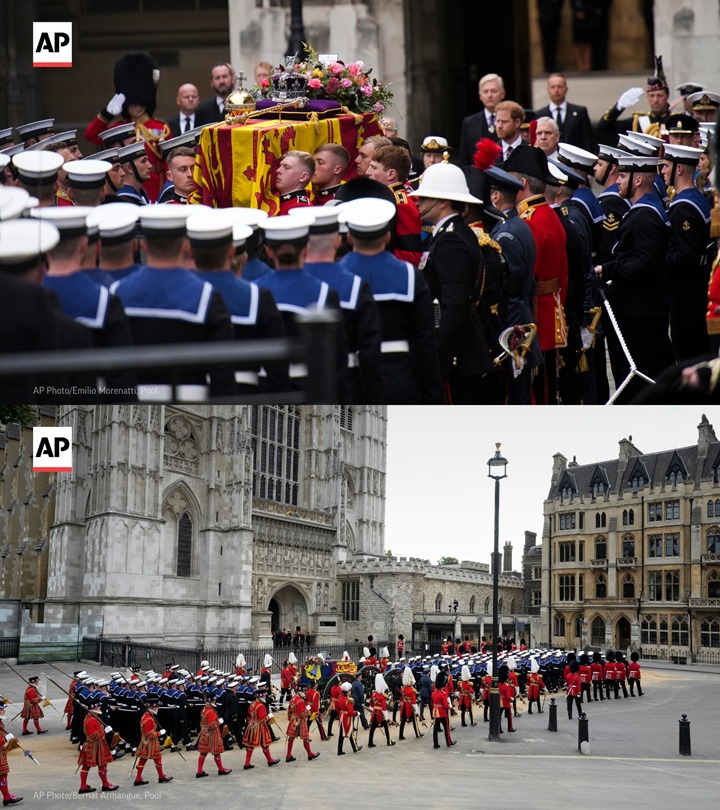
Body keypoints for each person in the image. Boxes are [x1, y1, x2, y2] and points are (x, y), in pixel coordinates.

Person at [110, 205, 236, 401]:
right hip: (192, 398)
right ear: (187, 246)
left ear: (143, 245)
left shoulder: (117, 292)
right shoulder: (208, 296)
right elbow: (223, 373)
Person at [338, 197, 441, 403]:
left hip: (347, 382)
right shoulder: (411, 276)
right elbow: (425, 342)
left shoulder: (333, 278)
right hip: (399, 377)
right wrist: (431, 394)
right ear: (387, 237)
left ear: (349, 237)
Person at [410, 161, 494, 403]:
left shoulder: (450, 240)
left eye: (425, 197)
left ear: (443, 201)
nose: (418, 201)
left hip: (458, 357)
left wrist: (441, 358)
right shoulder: (454, 233)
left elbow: (455, 305)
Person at [594, 153, 675, 403]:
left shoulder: (646, 215)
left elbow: (647, 262)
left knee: (644, 377)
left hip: (642, 312)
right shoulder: (641, 212)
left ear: (638, 179)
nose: (617, 181)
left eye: (623, 176)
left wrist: (608, 270)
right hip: (639, 309)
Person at [256, 214, 348, 401]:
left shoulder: (254, 290)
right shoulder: (325, 292)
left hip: (265, 386)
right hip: (312, 385)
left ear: (270, 252)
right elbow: (338, 357)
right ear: (306, 249)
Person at [300, 205, 384, 403]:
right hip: (347, 383)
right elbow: (369, 349)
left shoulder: (272, 287)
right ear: (338, 240)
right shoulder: (355, 285)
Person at [504, 144, 568, 405]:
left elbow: (526, 279)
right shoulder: (549, 215)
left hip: (535, 317)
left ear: (521, 183)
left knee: (536, 391)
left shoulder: (528, 221)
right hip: (553, 310)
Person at [84, 53, 171, 203]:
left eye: (139, 103)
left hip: (154, 185)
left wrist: (166, 191)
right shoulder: (119, 128)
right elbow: (91, 135)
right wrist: (107, 114)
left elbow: (168, 163)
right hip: (127, 186)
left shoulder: (161, 128)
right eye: (131, 103)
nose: (135, 107)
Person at [661, 143, 713, 361]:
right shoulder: (696, 198)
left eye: (666, 166)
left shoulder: (684, 207)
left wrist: (657, 259)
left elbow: (687, 256)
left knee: (689, 358)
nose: (662, 171)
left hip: (688, 298)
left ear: (679, 169)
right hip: (696, 294)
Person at [365, 144, 423, 267]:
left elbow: (413, 256)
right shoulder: (385, 199)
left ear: (391, 174)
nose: (367, 172)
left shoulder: (401, 204)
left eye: (373, 168)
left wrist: (372, 252)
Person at [598, 56, 672, 143]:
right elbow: (604, 128)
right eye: (652, 96)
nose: (655, 100)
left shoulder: (677, 120)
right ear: (647, 97)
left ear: (667, 96)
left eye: (659, 95)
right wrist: (618, 107)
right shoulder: (637, 122)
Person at [534, 74, 594, 152]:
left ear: (566, 89)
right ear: (548, 90)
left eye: (559, 86)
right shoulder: (539, 115)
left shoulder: (580, 112)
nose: (556, 90)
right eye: (553, 87)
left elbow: (588, 140)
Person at [458, 74, 506, 165]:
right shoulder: (469, 123)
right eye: (486, 91)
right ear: (480, 95)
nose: (489, 95)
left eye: (494, 91)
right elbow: (464, 158)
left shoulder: (511, 120)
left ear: (503, 94)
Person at [78, 699, 118, 794]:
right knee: (102, 764)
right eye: (98, 706)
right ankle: (105, 784)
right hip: (95, 744)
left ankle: (83, 786)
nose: (100, 707)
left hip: (91, 744)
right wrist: (105, 731)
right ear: (94, 707)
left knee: (86, 766)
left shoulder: (92, 717)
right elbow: (94, 736)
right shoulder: (91, 720)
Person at [133, 696, 173, 786]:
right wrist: (160, 733)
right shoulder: (149, 719)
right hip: (150, 743)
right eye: (157, 706)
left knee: (144, 759)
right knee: (157, 758)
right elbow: (150, 734)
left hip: (145, 742)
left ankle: (139, 778)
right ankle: (161, 776)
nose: (158, 708)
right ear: (152, 707)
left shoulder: (146, 715)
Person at [242, 687, 279, 769]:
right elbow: (262, 719)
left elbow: (248, 716)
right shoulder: (261, 706)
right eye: (264, 696)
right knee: (265, 744)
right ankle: (270, 760)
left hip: (251, 725)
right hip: (260, 727)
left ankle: (247, 763)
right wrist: (269, 716)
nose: (265, 697)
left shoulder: (252, 704)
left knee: (250, 745)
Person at [196, 693, 232, 777]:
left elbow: (202, 722)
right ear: (212, 700)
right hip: (212, 734)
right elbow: (212, 725)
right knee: (217, 753)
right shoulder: (211, 711)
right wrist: (220, 722)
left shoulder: (204, 709)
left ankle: (199, 771)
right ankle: (221, 769)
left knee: (203, 753)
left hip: (204, 733)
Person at [285, 686, 320, 762]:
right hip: (300, 721)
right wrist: (308, 711)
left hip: (293, 720)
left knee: (291, 738)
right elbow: (302, 714)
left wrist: (289, 719)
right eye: (304, 692)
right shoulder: (300, 701)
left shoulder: (292, 699)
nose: (305, 693)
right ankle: (310, 754)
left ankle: (288, 755)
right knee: (306, 737)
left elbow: (289, 711)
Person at [0, 698, 22, 806]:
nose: (4, 711)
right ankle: (7, 797)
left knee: (3, 775)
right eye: (2, 709)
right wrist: (6, 739)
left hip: (1, 754)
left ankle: (7, 797)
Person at [368, 673, 394, 747]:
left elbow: (371, 704)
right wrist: (386, 717)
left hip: (374, 713)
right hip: (380, 713)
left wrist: (371, 712)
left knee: (372, 728)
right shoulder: (382, 696)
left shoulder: (373, 694)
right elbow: (384, 708)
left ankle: (370, 742)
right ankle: (389, 741)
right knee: (386, 727)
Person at [537, 0, 564, 73]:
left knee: (553, 43)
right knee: (546, 43)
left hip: (555, 18)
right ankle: (547, 66)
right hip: (545, 18)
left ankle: (552, 65)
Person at [336, 681, 361, 755]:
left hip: (342, 716)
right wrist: (356, 713)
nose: (351, 692)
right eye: (350, 690)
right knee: (350, 732)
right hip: (347, 717)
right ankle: (355, 748)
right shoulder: (349, 700)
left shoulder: (340, 698)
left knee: (342, 734)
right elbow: (350, 712)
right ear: (347, 691)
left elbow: (338, 707)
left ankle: (340, 750)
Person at [431, 671, 454, 748]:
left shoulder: (434, 693)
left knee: (435, 728)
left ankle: (435, 744)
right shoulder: (442, 694)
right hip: (442, 713)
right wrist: (450, 707)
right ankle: (449, 742)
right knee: (446, 728)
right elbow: (445, 705)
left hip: (435, 712)